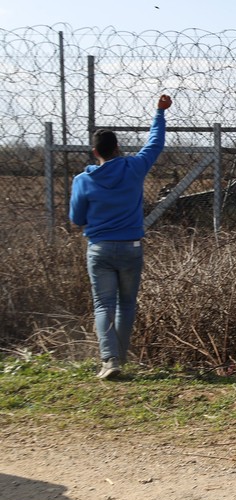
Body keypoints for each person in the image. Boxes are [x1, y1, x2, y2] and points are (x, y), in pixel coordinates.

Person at [70, 94, 172, 379]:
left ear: (94, 152)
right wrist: (159, 112)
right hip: (131, 248)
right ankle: (121, 358)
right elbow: (155, 143)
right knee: (127, 304)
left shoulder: (83, 181)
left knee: (103, 304)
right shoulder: (134, 168)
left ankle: (109, 360)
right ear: (117, 147)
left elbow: (77, 219)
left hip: (99, 249)